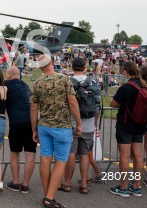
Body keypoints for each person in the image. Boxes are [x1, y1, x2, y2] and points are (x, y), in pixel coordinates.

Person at [31, 54, 82, 208]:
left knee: (45, 159)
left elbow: (34, 108)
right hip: (62, 126)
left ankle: (48, 194)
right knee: (60, 162)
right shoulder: (64, 79)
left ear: (40, 68)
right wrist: (79, 123)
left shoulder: (38, 83)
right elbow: (72, 102)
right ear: (52, 63)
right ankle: (49, 197)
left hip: (44, 125)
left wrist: (34, 129)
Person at [60, 58, 100, 194]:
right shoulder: (93, 82)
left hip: (71, 122)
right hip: (88, 123)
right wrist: (95, 122)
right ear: (84, 66)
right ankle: (84, 184)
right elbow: (98, 106)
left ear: (72, 66)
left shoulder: (68, 81)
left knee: (71, 152)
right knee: (84, 154)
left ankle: (67, 183)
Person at [109, 61, 146, 197]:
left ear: (126, 71)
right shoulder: (144, 84)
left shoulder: (126, 87)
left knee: (124, 156)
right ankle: (137, 186)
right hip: (140, 123)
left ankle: (123, 187)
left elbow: (113, 103)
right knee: (138, 156)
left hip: (125, 124)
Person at [4, 66, 36, 194]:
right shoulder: (26, 86)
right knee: (30, 154)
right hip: (30, 122)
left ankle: (16, 182)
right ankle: (26, 185)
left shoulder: (6, 85)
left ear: (9, 75)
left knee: (14, 153)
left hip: (16, 122)